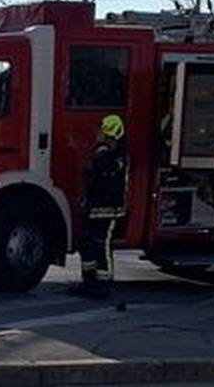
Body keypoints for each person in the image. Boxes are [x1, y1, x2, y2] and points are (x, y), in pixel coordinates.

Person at [70, 114, 129, 298]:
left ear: (109, 133)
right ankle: (89, 281)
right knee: (86, 243)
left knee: (102, 245)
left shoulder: (114, 156)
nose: (98, 135)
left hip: (108, 209)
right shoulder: (104, 153)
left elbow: (100, 169)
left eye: (102, 131)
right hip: (94, 207)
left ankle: (103, 284)